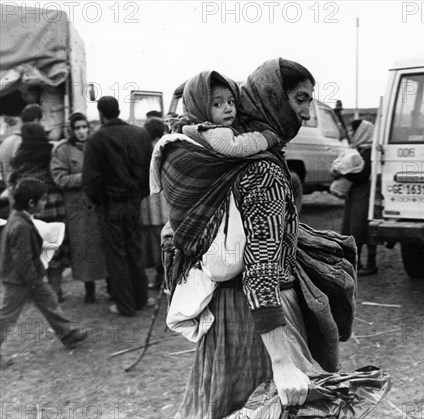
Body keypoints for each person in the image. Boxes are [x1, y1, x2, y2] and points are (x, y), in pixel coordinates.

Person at [155, 59, 321, 418]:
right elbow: (261, 270)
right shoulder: (262, 168)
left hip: (226, 313)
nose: (307, 113)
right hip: (258, 320)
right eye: (300, 100)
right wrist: (282, 363)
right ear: (274, 99)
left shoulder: (226, 154)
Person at [0, 180, 88, 370]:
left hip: (26, 276)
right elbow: (22, 259)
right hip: (19, 280)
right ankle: (67, 332)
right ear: (32, 203)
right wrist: (34, 281)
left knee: (49, 300)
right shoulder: (20, 225)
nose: (45, 203)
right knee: (7, 317)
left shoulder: (18, 217)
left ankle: (67, 333)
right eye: (42, 200)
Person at [82, 96, 153, 317]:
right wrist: (140, 195)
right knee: (134, 250)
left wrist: (99, 201)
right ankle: (141, 299)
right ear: (119, 110)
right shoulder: (141, 134)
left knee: (116, 255)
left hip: (110, 204)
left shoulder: (96, 140)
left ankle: (125, 305)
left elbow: (90, 179)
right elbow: (152, 170)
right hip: (134, 202)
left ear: (101, 114)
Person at [50, 113, 108, 303]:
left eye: (84, 127)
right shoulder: (63, 150)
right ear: (71, 130)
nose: (82, 131)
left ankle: (111, 286)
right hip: (79, 208)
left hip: (99, 206)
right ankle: (89, 289)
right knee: (83, 250)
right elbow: (59, 178)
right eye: (78, 128)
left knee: (105, 248)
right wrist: (85, 177)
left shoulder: (97, 145)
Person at [9, 122, 70, 301]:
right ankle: (56, 291)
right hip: (52, 203)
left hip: (30, 208)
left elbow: (14, 182)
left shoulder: (19, 158)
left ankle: (34, 291)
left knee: (32, 249)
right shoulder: (51, 152)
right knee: (53, 247)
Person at [338, 119, 378, 276]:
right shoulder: (357, 150)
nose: (350, 134)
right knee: (351, 228)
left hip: (365, 193)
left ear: (362, 131)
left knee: (362, 228)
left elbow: (362, 175)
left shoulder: (369, 151)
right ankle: (356, 262)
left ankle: (370, 263)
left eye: (353, 131)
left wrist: (344, 173)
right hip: (356, 193)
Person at [141, 118, 169, 290]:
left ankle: (161, 276)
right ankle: (164, 277)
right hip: (165, 201)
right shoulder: (167, 146)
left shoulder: (147, 148)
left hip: (151, 201)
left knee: (154, 240)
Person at [0, 104, 43, 186]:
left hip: (9, 190)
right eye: (41, 121)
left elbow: (1, 169)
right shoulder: (27, 143)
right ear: (36, 121)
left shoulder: (6, 142)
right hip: (24, 191)